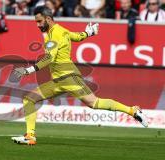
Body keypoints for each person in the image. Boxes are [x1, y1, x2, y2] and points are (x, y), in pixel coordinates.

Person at [11, 6, 148, 145]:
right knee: (29, 99)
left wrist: (28, 71)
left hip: (69, 78)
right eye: (36, 22)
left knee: (94, 103)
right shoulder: (62, 30)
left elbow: (49, 58)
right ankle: (30, 136)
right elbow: (76, 37)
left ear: (48, 19)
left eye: (39, 21)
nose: (38, 25)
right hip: (58, 81)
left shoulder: (54, 35)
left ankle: (133, 111)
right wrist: (88, 33)